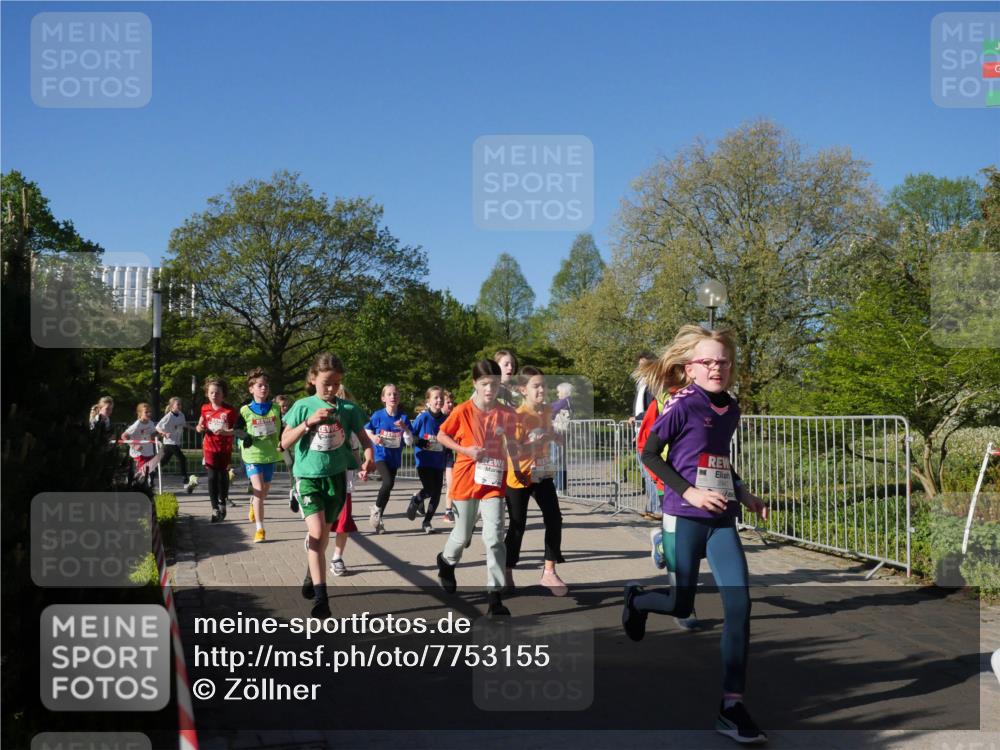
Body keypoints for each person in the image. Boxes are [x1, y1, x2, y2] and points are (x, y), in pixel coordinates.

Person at [622, 325, 768, 745]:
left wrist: (743, 492)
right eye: (708, 362)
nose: (717, 368)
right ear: (690, 368)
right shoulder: (682, 407)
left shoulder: (732, 409)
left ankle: (731, 706)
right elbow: (648, 452)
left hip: (721, 517)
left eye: (723, 361)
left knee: (739, 604)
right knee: (681, 602)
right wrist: (689, 491)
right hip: (683, 514)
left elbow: (717, 459)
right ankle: (638, 599)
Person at [281, 353, 374, 618]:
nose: (332, 389)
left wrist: (369, 459)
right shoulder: (302, 406)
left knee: (322, 538)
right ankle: (322, 599)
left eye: (336, 383)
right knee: (318, 532)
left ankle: (312, 572)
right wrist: (308, 423)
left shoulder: (348, 409)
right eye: (326, 383)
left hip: (337, 479)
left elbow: (366, 441)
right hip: (308, 478)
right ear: (313, 379)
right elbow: (284, 441)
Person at [434, 360, 521, 617]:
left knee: (494, 537)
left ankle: (495, 597)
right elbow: (441, 435)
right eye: (484, 384)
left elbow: (514, 442)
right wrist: (465, 450)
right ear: (475, 384)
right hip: (465, 479)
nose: (489, 390)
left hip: (493, 482)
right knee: (462, 536)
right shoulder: (462, 411)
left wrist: (518, 469)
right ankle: (446, 562)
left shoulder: (507, 413)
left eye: (494, 384)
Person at [504, 366, 568, 596]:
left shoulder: (547, 411)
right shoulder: (517, 416)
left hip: (541, 474)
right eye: (536, 386)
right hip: (518, 475)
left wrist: (555, 436)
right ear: (523, 389)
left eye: (544, 385)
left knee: (554, 519)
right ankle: (507, 571)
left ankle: (549, 571)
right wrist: (533, 444)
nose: (542, 389)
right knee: (517, 525)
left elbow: (548, 434)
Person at [239, 368, 283, 543]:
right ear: (251, 389)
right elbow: (237, 429)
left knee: (263, 492)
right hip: (252, 455)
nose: (263, 388)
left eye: (266, 385)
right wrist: (245, 437)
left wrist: (282, 442)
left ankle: (253, 504)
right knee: (258, 490)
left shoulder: (275, 409)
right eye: (259, 385)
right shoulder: (244, 410)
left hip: (270, 454)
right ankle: (260, 529)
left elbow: (281, 429)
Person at [364, 384, 414, 534]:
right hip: (380, 456)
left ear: (399, 398)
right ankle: (376, 510)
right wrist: (374, 437)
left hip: (395, 458)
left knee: (388, 488)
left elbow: (409, 442)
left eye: (396, 394)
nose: (393, 397)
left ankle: (378, 518)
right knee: (388, 482)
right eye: (390, 394)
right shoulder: (378, 415)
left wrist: (405, 428)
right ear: (383, 398)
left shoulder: (403, 417)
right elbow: (367, 429)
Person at [329, 383, 362, 577]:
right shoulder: (320, 422)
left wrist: (362, 467)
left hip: (345, 475)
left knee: (344, 517)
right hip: (323, 475)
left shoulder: (352, 429)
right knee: (322, 517)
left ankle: (337, 557)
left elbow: (356, 450)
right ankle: (313, 536)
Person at [196, 378, 239, 523]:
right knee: (212, 477)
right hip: (209, 447)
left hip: (224, 448)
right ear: (207, 394)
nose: (214, 395)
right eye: (211, 392)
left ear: (223, 394)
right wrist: (199, 428)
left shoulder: (229, 410)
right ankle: (214, 509)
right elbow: (199, 425)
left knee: (223, 476)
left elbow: (236, 430)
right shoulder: (204, 408)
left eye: (218, 393)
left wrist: (225, 432)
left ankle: (222, 501)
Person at [407, 386, 448, 534]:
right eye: (436, 398)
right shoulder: (423, 417)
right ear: (428, 401)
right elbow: (410, 436)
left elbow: (449, 436)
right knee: (429, 489)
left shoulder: (445, 419)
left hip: (438, 461)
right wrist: (420, 442)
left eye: (441, 398)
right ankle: (417, 499)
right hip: (424, 461)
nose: (439, 400)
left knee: (436, 493)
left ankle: (427, 522)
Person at [631, 350, 661, 520]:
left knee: (651, 473)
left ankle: (657, 508)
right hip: (640, 430)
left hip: (649, 430)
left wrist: (638, 419)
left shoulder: (654, 384)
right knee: (645, 473)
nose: (641, 368)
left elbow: (654, 408)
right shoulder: (642, 384)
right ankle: (651, 506)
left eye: (645, 365)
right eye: (640, 365)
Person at [156, 397, 198, 494]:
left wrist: (195, 428)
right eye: (177, 405)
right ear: (171, 407)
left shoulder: (181, 415)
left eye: (180, 404)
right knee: (182, 459)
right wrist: (164, 433)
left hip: (174, 443)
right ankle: (185, 482)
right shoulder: (168, 417)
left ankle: (151, 473)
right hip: (169, 442)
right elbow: (158, 426)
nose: (180, 406)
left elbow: (184, 424)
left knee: (163, 462)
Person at [274, 394, 298, 512]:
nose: (285, 408)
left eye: (287, 406)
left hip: (289, 446)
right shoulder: (274, 417)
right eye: (283, 406)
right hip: (278, 446)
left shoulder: (291, 416)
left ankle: (293, 493)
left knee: (293, 468)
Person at [121, 403, 157, 478]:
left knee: (148, 471)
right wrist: (134, 445)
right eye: (146, 412)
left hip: (148, 452)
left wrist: (160, 434)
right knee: (143, 472)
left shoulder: (151, 423)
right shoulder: (137, 424)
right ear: (140, 413)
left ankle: (138, 483)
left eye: (150, 412)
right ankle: (133, 484)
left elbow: (153, 435)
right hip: (139, 453)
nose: (149, 414)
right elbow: (124, 436)